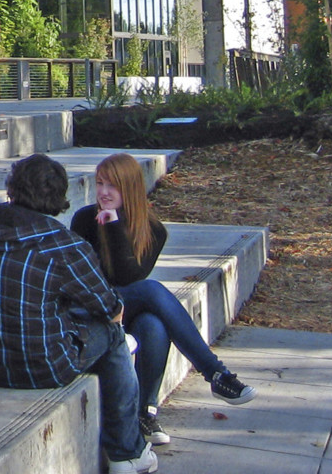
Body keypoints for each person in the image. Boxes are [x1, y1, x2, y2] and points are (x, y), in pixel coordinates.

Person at [0, 153, 157, 474]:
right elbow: (111, 309)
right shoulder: (64, 245)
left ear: (13, 187)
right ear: (59, 197)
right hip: (38, 368)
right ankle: (126, 453)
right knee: (114, 336)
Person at [72, 153, 256, 446]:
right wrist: (107, 226)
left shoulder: (153, 231)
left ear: (130, 188)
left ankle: (145, 412)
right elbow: (87, 281)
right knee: (152, 291)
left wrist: (115, 227)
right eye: (100, 184)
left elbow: (128, 276)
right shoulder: (84, 220)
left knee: (152, 323)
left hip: (125, 309)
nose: (104, 192)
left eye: (112, 186)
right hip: (91, 310)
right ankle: (215, 372)